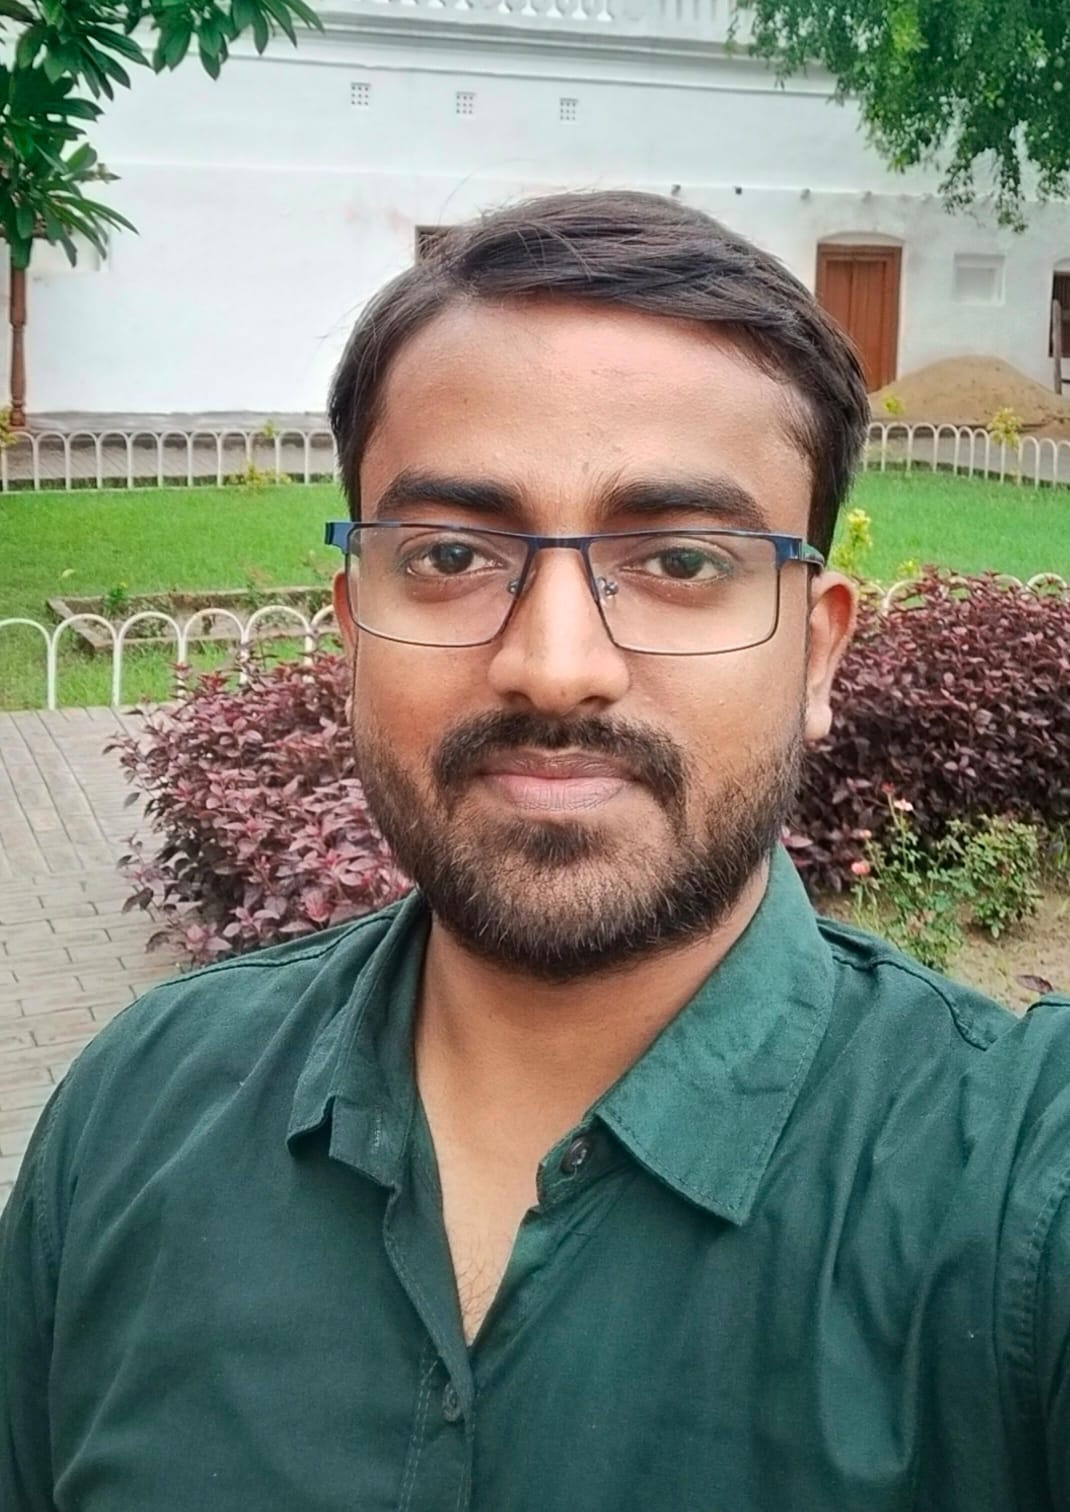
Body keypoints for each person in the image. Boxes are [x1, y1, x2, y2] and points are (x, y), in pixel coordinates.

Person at [2, 191, 1068, 1512]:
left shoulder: (1016, 1203)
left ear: (815, 651)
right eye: (451, 553)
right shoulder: (136, 1115)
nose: (554, 666)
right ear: (353, 626)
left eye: (681, 560)